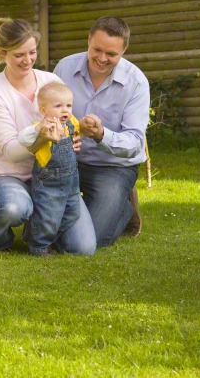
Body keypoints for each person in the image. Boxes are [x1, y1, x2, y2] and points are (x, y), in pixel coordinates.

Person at [0, 17, 96, 254]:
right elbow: (11, 152)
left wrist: (73, 136)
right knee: (13, 207)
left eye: (32, 52)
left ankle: (39, 224)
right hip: (10, 176)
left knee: (83, 248)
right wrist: (42, 138)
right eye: (19, 54)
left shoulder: (50, 81)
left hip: (53, 178)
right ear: (3, 52)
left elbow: (67, 120)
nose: (28, 60)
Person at [54, 16, 150, 247]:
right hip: (69, 159)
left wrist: (100, 134)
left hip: (113, 167)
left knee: (90, 239)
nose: (102, 58)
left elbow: (136, 143)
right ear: (88, 40)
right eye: (97, 49)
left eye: (112, 54)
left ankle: (124, 207)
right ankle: (91, 208)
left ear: (124, 50)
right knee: (40, 226)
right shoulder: (64, 68)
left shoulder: (136, 82)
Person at [18, 82, 81, 257]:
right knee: (48, 217)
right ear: (44, 111)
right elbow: (23, 138)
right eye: (58, 106)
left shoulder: (71, 123)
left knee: (72, 213)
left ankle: (34, 233)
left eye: (68, 105)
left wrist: (86, 128)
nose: (65, 110)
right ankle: (38, 246)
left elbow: (78, 131)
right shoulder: (43, 126)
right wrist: (38, 129)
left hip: (71, 181)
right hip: (49, 181)